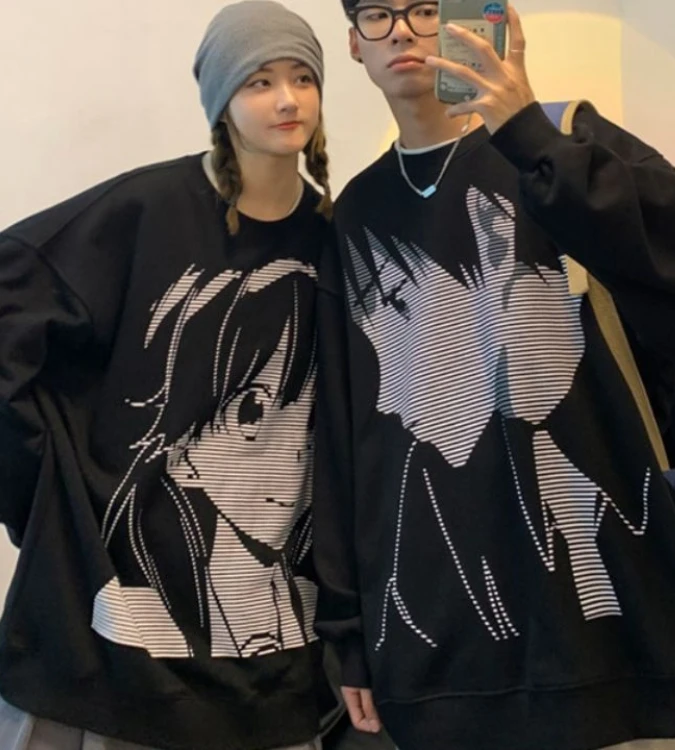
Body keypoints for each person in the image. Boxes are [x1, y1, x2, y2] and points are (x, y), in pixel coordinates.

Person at [313, 2, 675, 750]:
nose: (404, 31)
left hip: (618, 653)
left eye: (425, 8)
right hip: (444, 663)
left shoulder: (559, 145)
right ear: (355, 43)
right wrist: (350, 633)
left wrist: (527, 134)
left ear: (473, 20)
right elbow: (347, 440)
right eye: (379, 13)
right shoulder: (356, 214)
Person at [0, 2, 336, 748]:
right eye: (258, 81)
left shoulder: (335, 239)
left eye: (303, 78)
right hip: (106, 660)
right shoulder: (145, 210)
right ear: (220, 101)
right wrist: (44, 494)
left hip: (274, 675)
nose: (287, 99)